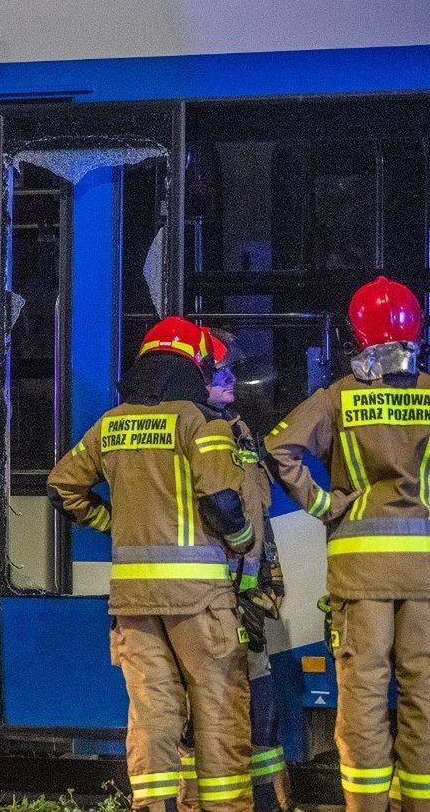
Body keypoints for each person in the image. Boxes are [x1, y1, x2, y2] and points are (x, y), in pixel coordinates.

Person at [48, 316, 254, 812]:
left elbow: (61, 487)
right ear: (191, 365)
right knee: (218, 705)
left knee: (153, 711)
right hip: (198, 598)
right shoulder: (198, 421)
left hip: (133, 601)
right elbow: (222, 499)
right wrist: (243, 541)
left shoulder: (111, 423)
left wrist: (111, 523)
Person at [264, 276, 430, 811]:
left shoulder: (338, 398)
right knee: (423, 695)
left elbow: (279, 449)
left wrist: (323, 505)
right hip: (426, 575)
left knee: (361, 696)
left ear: (358, 337)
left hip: (360, 576)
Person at [180, 330, 291, 812]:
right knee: (200, 721)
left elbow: (255, 507)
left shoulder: (239, 431)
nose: (231, 378)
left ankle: (268, 804)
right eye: (220, 371)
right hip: (206, 603)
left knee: (261, 711)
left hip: (246, 602)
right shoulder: (190, 433)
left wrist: (270, 571)